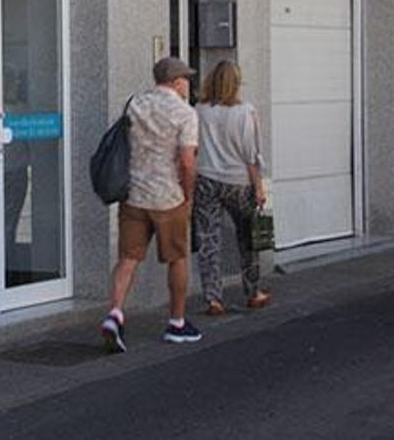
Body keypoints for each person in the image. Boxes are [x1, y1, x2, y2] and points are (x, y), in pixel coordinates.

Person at [101, 57, 203, 352]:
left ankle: (115, 314)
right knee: (177, 258)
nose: (187, 83)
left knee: (128, 258)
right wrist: (188, 196)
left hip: (134, 193)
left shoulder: (134, 104)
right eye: (185, 78)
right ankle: (177, 322)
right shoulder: (185, 113)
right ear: (176, 81)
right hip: (168, 197)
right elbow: (187, 162)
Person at [193, 60, 272, 315]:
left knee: (208, 240)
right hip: (238, 181)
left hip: (206, 179)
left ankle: (213, 298)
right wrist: (259, 187)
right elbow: (251, 154)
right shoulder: (245, 112)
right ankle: (253, 292)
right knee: (248, 238)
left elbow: (193, 147)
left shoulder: (199, 110)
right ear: (236, 83)